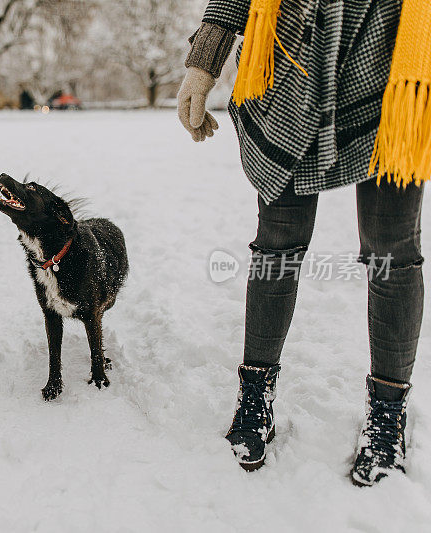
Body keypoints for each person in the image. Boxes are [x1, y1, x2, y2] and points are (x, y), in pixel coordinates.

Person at [178, 0, 427, 485]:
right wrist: (203, 63)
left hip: (397, 64)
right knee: (277, 248)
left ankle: (387, 413)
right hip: (292, 60)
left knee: (392, 255)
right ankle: (255, 396)